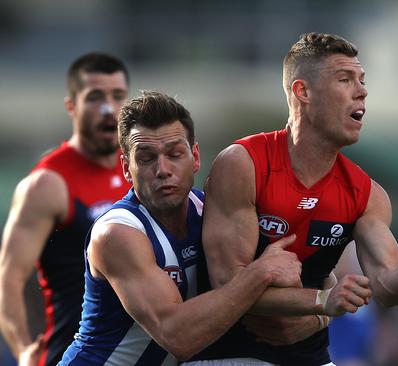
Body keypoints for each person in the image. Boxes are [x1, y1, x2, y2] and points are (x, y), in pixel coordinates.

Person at [194, 32, 398, 365]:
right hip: (230, 356)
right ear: (303, 92)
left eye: (362, 80)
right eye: (345, 79)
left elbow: (388, 284)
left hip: (310, 358)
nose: (362, 91)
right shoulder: (243, 163)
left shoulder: (365, 193)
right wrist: (321, 301)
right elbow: (228, 285)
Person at [59, 90, 303, 365]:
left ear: (195, 157)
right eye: (147, 158)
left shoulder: (215, 211)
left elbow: (308, 275)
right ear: (127, 168)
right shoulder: (117, 233)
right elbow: (178, 337)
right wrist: (259, 274)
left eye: (174, 154)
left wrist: (321, 314)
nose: (162, 169)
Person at [0, 52, 131, 366]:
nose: (108, 109)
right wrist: (23, 350)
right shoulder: (47, 184)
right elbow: (10, 277)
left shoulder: (138, 170)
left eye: (118, 96)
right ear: (72, 106)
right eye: (95, 97)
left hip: (140, 352)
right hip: (76, 354)